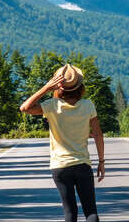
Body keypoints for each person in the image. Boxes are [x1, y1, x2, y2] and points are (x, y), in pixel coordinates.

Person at [20, 63, 105, 222]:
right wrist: (101, 162)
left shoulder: (52, 106)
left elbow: (25, 108)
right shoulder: (88, 105)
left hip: (60, 167)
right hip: (82, 164)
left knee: (70, 213)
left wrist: (46, 87)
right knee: (91, 212)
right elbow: (98, 135)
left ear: (58, 87)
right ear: (80, 86)